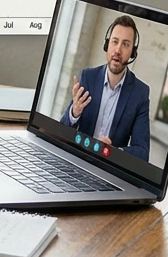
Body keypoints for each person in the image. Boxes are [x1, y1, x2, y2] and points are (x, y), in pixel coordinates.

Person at [61, 15, 151, 161]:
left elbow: (142, 152)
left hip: (109, 168)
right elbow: (61, 132)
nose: (118, 50)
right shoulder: (87, 77)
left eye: (125, 44)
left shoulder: (140, 93)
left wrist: (113, 151)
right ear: (107, 45)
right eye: (115, 42)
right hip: (79, 160)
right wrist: (74, 112)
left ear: (132, 53)